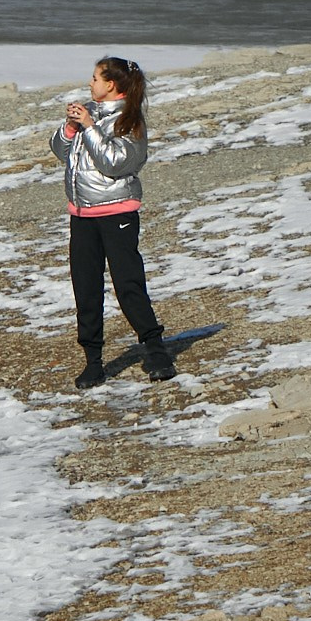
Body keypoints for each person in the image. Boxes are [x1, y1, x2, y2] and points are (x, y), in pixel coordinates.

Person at [51, 55, 176, 387]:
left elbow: (114, 163)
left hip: (117, 212)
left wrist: (90, 128)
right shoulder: (89, 118)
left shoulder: (129, 120)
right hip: (82, 215)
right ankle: (93, 361)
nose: (90, 82)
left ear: (112, 85)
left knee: (128, 284)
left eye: (95, 78)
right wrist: (69, 128)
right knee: (86, 287)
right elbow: (62, 152)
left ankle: (155, 350)